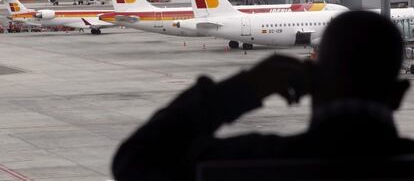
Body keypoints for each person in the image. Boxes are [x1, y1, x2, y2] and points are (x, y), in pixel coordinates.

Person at [112, 11, 414, 181]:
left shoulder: (255, 162)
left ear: (311, 80)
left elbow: (135, 161)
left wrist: (244, 88)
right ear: (400, 93)